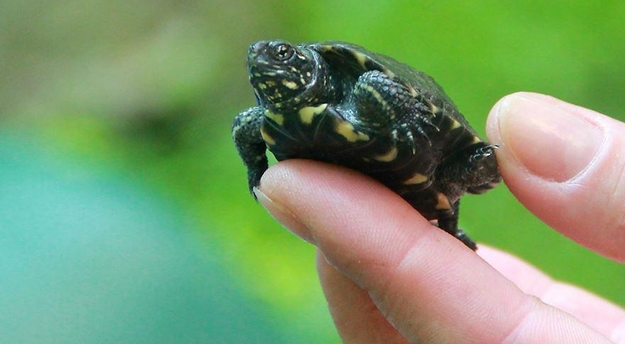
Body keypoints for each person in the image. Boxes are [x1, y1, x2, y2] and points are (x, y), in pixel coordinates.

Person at [255, 92, 625, 343]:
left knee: (470, 169)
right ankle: (448, 222)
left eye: (284, 55)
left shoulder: (358, 88)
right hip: (369, 185)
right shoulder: (265, 118)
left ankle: (449, 215)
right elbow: (248, 127)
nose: (263, 60)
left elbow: (373, 81)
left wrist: (404, 112)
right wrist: (255, 169)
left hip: (427, 159)